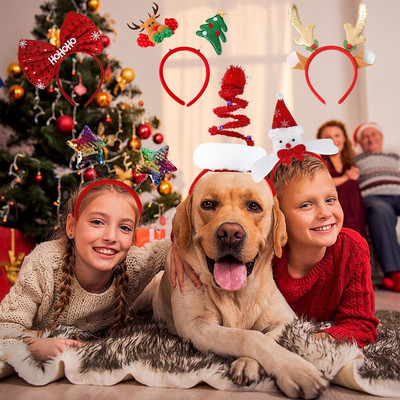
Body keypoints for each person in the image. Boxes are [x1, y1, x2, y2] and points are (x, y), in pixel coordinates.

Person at [0, 179, 196, 363]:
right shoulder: (44, 263)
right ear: (71, 227)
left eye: (125, 228)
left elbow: (170, 244)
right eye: (97, 222)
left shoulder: (135, 264)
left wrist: (178, 246)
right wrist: (34, 346)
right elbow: (4, 329)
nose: (111, 236)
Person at [271, 155, 378, 348]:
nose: (325, 213)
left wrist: (314, 342)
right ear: (278, 216)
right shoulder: (265, 254)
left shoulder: (351, 248)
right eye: (306, 205)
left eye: (330, 199)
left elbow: (360, 324)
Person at [353, 122, 400, 292]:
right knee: (381, 211)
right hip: (374, 197)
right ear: (360, 143)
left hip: (397, 193)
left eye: (373, 135)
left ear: (381, 137)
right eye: (365, 137)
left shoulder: (394, 156)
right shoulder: (356, 159)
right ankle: (394, 273)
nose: (370, 138)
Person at [316, 120, 366, 238]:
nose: (334, 140)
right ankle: (348, 235)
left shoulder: (351, 162)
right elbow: (321, 185)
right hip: (330, 207)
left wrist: (354, 176)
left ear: (344, 138)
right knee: (350, 184)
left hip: (354, 211)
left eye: (337, 135)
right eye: (328, 137)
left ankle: (356, 237)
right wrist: (346, 178)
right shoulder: (318, 162)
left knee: (352, 185)